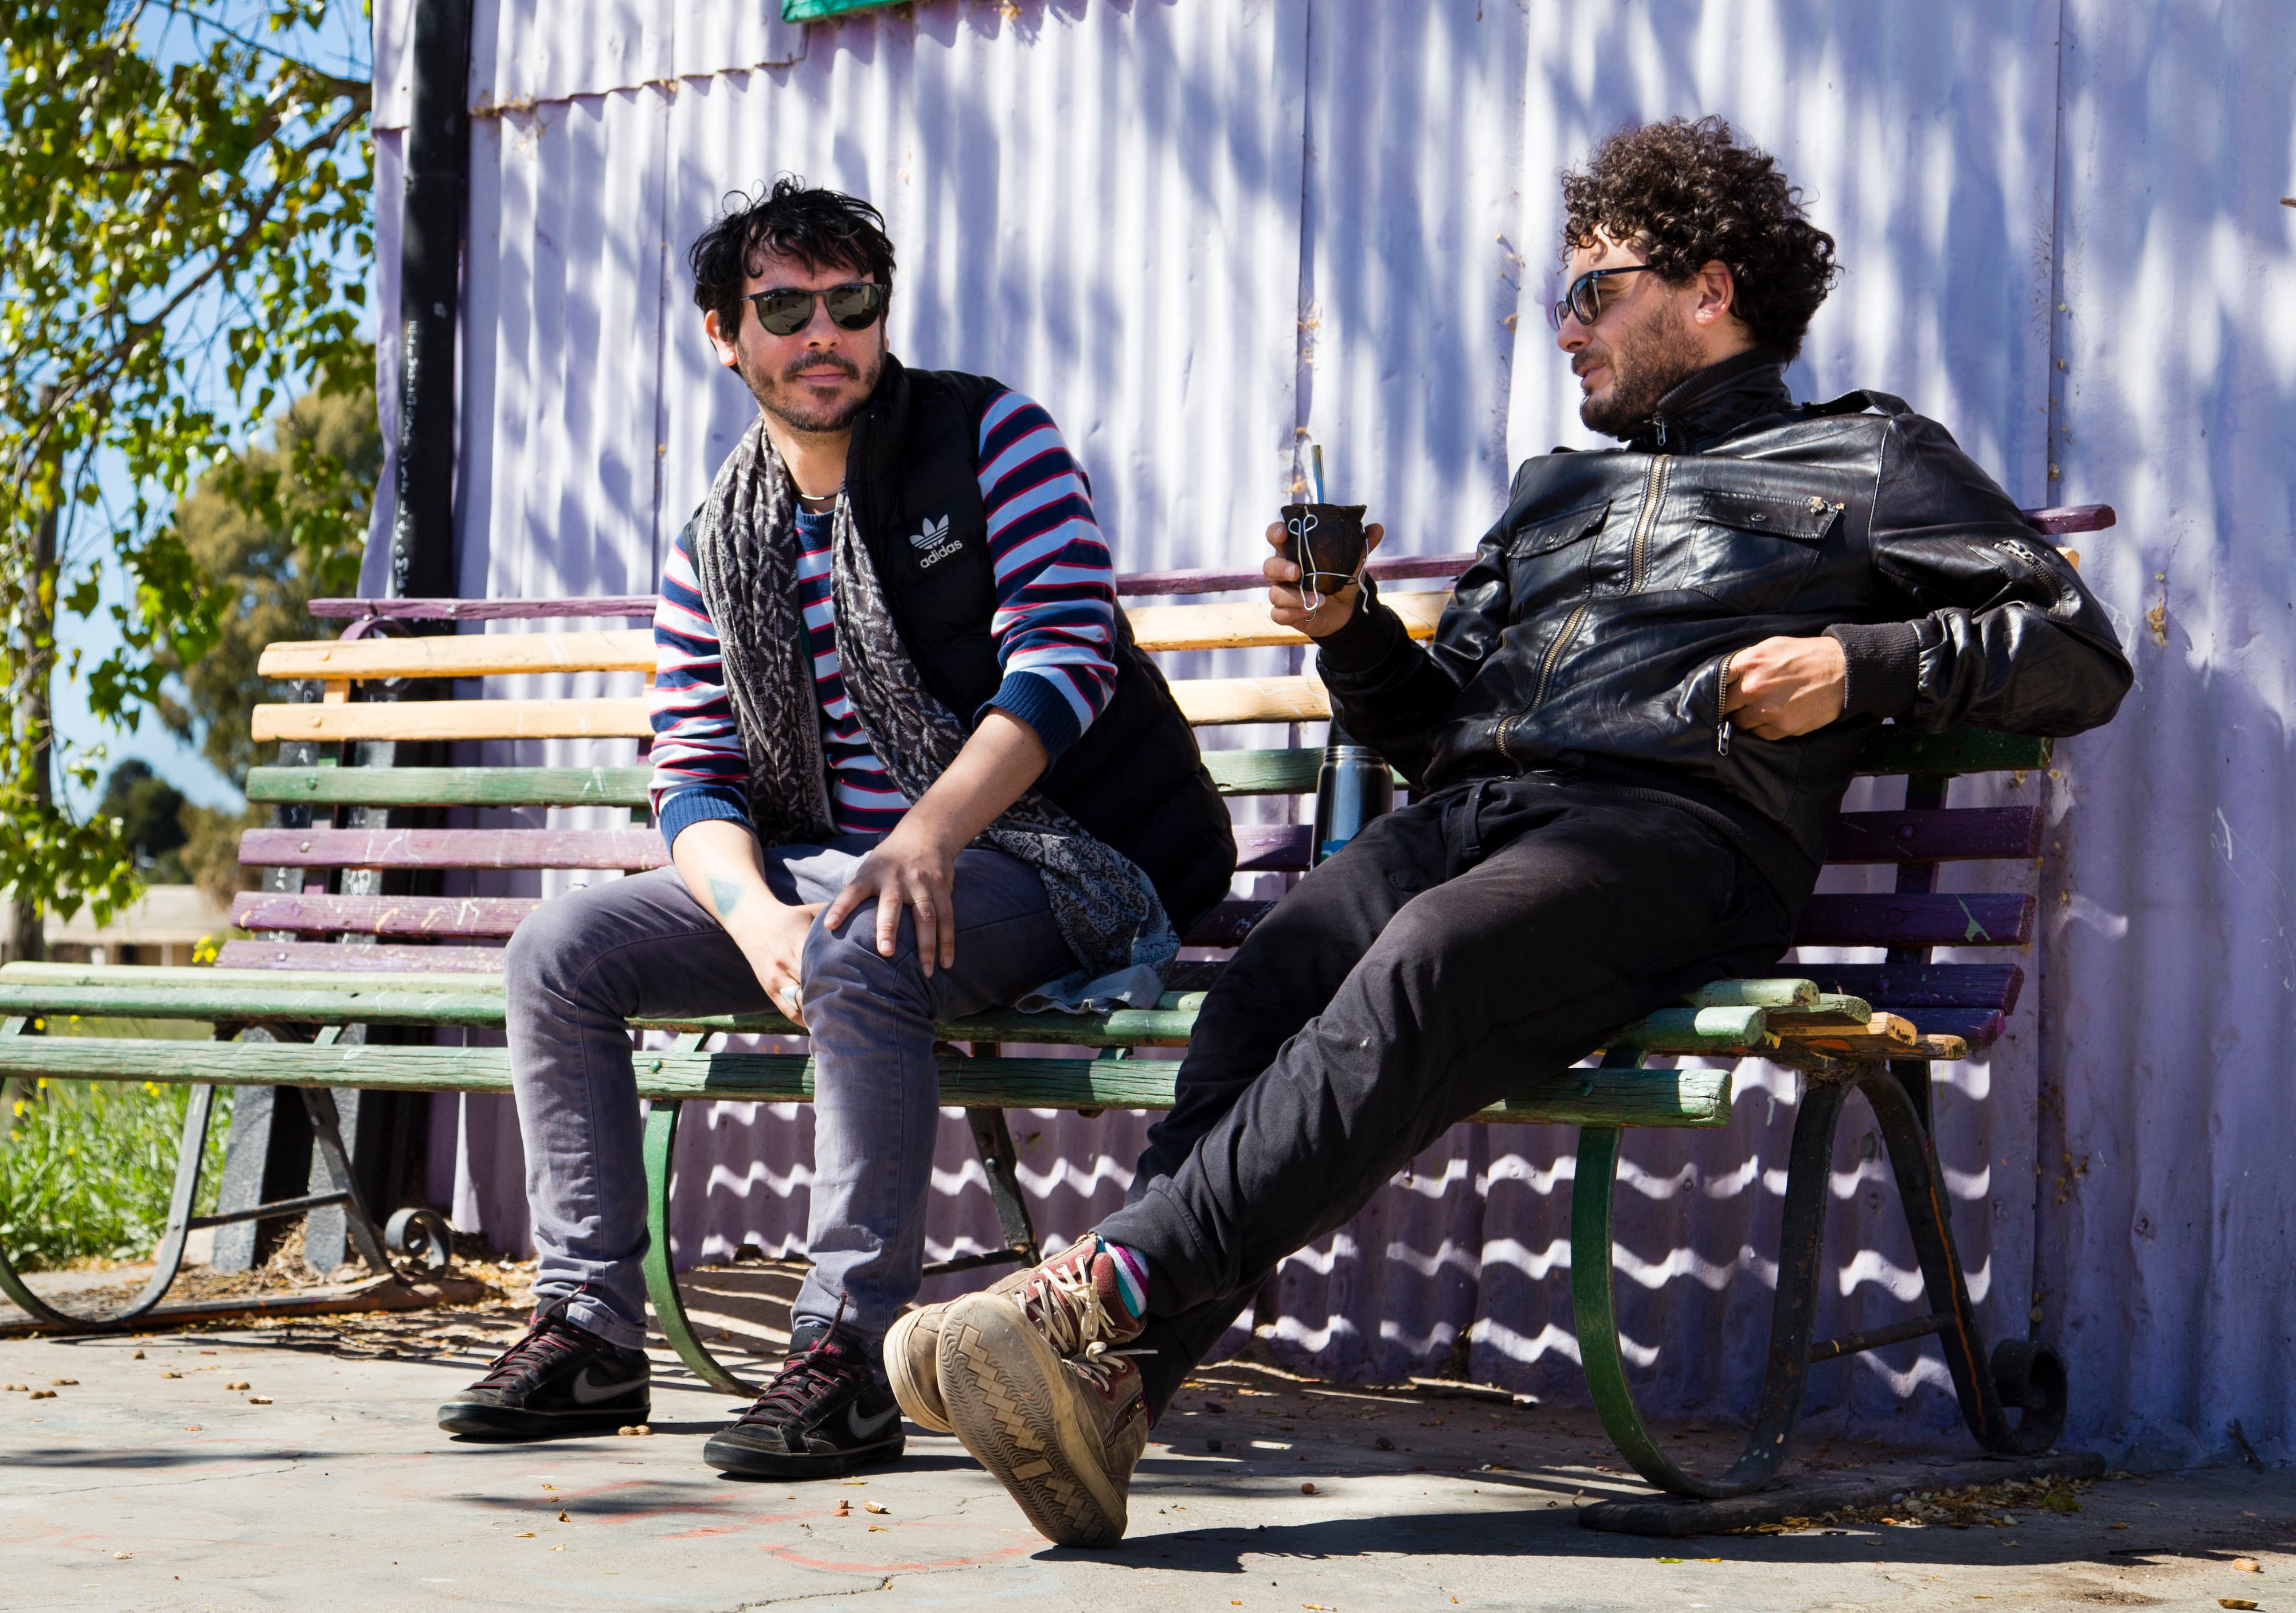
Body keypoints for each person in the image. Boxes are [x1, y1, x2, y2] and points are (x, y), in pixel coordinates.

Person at [918, 116, 2135, 1546]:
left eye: (1590, 292)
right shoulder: (1552, 493)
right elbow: (1434, 735)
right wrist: (1351, 630)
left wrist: (1857, 669)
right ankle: (1114, 1391)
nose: (1562, 333)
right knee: (1271, 973)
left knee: (1428, 957)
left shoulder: (1865, 459)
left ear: (1709, 288)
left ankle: (1094, 1295)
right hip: (1487, 817)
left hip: (1680, 835)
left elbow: (2074, 650)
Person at [435, 178, 1237, 1479]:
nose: (825, 335)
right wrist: (755, 918)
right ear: (723, 335)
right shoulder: (718, 533)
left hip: (1060, 851)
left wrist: (922, 836)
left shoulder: (988, 439)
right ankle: (587, 1329)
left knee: (862, 941)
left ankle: (850, 1357)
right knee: (559, 953)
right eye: (785, 308)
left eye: (851, 304)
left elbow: (1063, 663)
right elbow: (690, 772)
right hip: (830, 871)